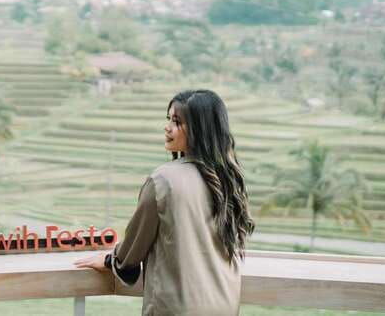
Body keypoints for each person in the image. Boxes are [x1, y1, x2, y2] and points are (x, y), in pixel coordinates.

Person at [74, 89, 255, 315]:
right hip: (224, 305)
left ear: (200, 130)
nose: (167, 127)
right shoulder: (229, 179)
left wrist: (111, 260)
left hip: (176, 308)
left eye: (177, 122)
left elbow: (131, 251)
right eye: (168, 119)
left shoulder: (163, 181)